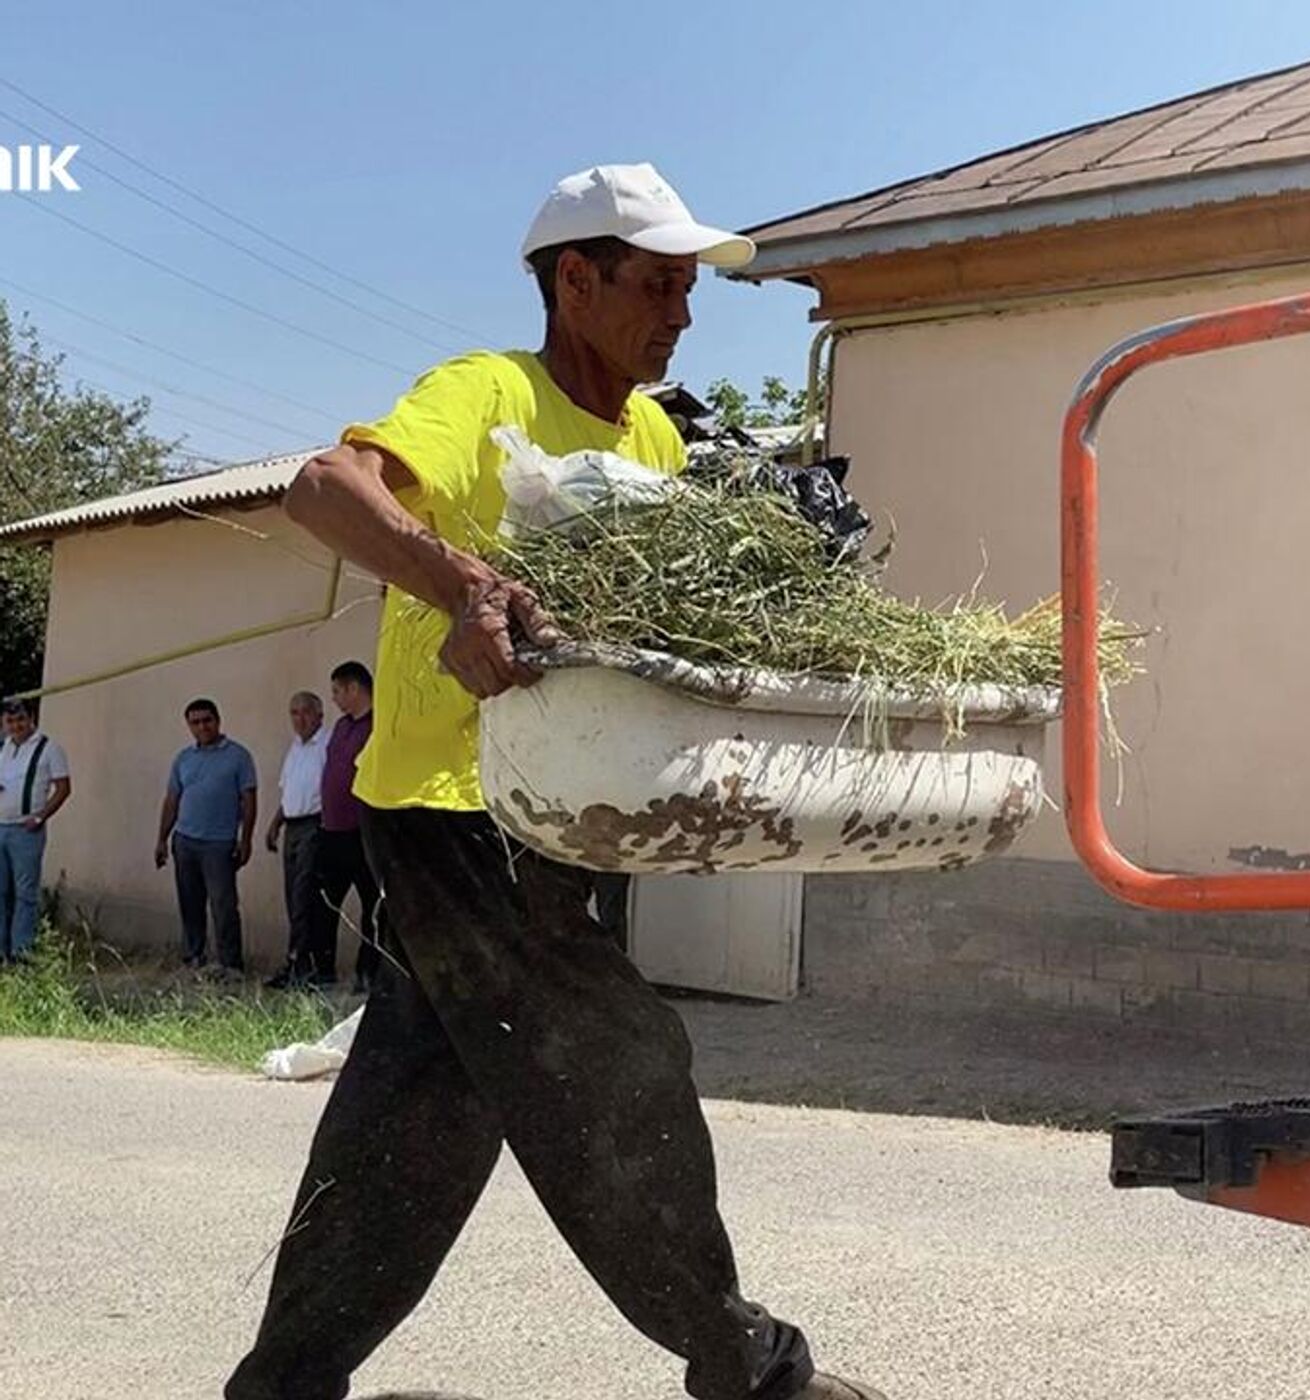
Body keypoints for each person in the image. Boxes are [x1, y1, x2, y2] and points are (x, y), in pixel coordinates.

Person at [226, 163, 881, 1400]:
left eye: (688, 292)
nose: (678, 316)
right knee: (617, 1063)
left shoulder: (650, 436)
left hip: (564, 825)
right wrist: (458, 582)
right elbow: (325, 486)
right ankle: (753, 1369)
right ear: (573, 281)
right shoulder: (487, 392)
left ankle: (282, 1383)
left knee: (412, 1117)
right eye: (655, 286)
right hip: (454, 818)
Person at [155, 698, 256, 976]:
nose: (202, 726)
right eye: (195, 722)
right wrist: (162, 839)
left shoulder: (238, 756)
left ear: (218, 720)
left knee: (223, 905)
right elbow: (172, 800)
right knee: (190, 903)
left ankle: (231, 965)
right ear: (188, 725)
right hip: (185, 841)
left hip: (220, 843)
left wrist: (246, 839)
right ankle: (193, 958)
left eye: (207, 720)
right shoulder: (183, 759)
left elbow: (249, 800)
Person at [314, 659, 380, 993]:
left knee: (373, 906)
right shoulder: (341, 727)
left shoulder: (379, 724)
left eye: (338, 691)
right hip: (331, 830)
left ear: (355, 688)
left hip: (363, 831)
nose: (335, 698)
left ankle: (366, 975)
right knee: (323, 903)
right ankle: (320, 972)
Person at [264, 691, 330, 988]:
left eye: (305, 712)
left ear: (319, 715)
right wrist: (275, 823)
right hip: (292, 826)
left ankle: (303, 967)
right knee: (293, 898)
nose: (299, 718)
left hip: (315, 826)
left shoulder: (326, 744)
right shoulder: (295, 749)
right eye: (294, 713)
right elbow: (288, 792)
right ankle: (298, 964)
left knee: (305, 897)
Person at [0, 697, 70, 963]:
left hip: (25, 830)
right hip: (0, 826)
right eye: (10, 720)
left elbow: (63, 788)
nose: (15, 725)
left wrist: (41, 816)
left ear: (32, 719)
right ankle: (2, 951)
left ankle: (21, 952)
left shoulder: (49, 748)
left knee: (24, 894)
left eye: (20, 719)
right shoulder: (3, 747)